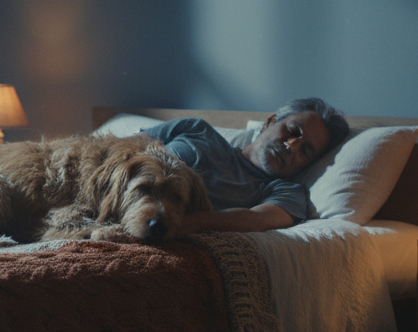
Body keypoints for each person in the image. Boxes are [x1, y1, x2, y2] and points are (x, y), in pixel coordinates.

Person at [142, 98, 349, 233]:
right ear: (270, 122)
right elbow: (123, 149)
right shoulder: (195, 129)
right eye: (293, 131)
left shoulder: (287, 192)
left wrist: (183, 223)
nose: (291, 146)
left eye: (305, 151)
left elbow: (258, 219)